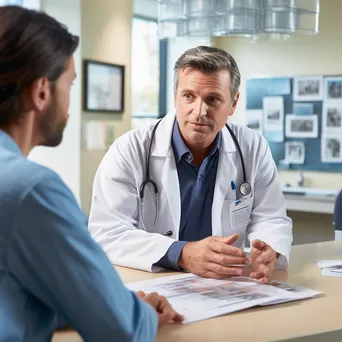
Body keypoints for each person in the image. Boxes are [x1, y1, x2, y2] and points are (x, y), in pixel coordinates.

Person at [0, 6, 183, 342]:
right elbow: (120, 329)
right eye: (69, 84)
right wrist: (138, 312)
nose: (70, 103)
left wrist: (98, 303)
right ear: (42, 91)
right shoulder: (32, 190)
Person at [89, 46, 293, 283]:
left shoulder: (252, 147)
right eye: (189, 96)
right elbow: (107, 233)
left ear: (233, 103)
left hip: (225, 287)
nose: (199, 111)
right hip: (149, 287)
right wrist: (182, 253)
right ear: (175, 96)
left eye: (213, 99)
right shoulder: (130, 150)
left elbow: (271, 218)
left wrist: (268, 248)